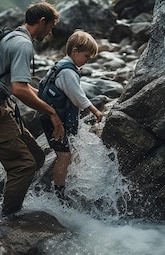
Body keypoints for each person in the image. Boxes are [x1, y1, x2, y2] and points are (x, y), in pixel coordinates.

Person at [0, 0, 65, 217]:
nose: (50, 32)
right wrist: (51, 112)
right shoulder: (23, 44)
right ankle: (7, 219)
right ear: (42, 22)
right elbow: (19, 89)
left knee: (36, 156)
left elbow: (21, 85)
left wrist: (47, 102)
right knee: (24, 165)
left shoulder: (13, 36)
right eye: (50, 26)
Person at [38, 30, 103, 201]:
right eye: (86, 56)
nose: (87, 61)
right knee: (64, 155)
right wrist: (95, 110)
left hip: (51, 116)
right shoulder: (68, 72)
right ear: (74, 51)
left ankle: (64, 183)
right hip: (55, 120)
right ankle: (59, 193)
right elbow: (77, 95)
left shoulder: (60, 66)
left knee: (67, 152)